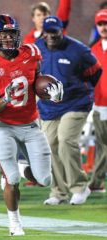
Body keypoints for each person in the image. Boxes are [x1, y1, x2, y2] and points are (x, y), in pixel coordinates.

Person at [0, 14, 62, 236]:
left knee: (45, 179)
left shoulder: (31, 53)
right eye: (3, 35)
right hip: (5, 126)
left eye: (12, 34)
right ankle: (15, 224)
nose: (8, 39)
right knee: (10, 179)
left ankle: (22, 169)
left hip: (31, 124)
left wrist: (51, 91)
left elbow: (38, 80)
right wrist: (5, 99)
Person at [35, 16, 102, 205]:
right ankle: (58, 192)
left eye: (54, 32)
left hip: (75, 104)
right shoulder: (36, 48)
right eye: (47, 32)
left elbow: (96, 71)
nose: (51, 36)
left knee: (65, 139)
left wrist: (78, 90)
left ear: (61, 30)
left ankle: (80, 187)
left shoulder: (78, 50)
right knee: (49, 145)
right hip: (48, 106)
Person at [88, 9, 107, 193]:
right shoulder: (92, 51)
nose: (104, 27)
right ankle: (97, 183)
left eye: (106, 23)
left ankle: (95, 181)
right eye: (100, 24)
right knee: (102, 146)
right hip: (99, 105)